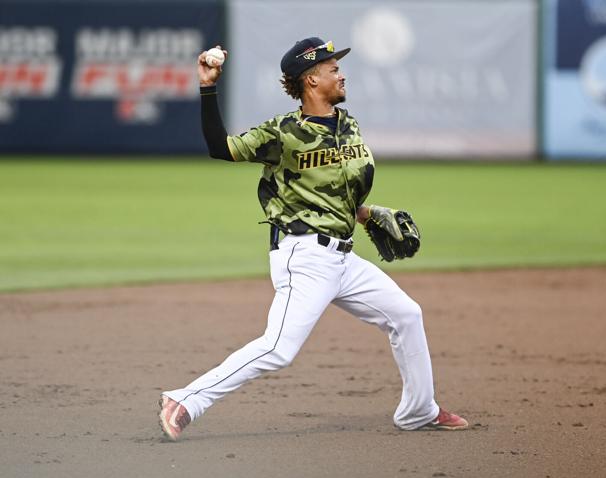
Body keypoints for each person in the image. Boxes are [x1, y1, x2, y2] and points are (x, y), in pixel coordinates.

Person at [158, 37, 467, 441]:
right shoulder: (284, 132)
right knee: (278, 349)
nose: (341, 74)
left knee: (407, 315)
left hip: (343, 259)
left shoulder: (347, 125)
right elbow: (221, 148)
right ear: (310, 79)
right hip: (304, 255)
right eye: (333, 68)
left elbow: (336, 191)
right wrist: (208, 86)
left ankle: (419, 410)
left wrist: (368, 213)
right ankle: (185, 400)